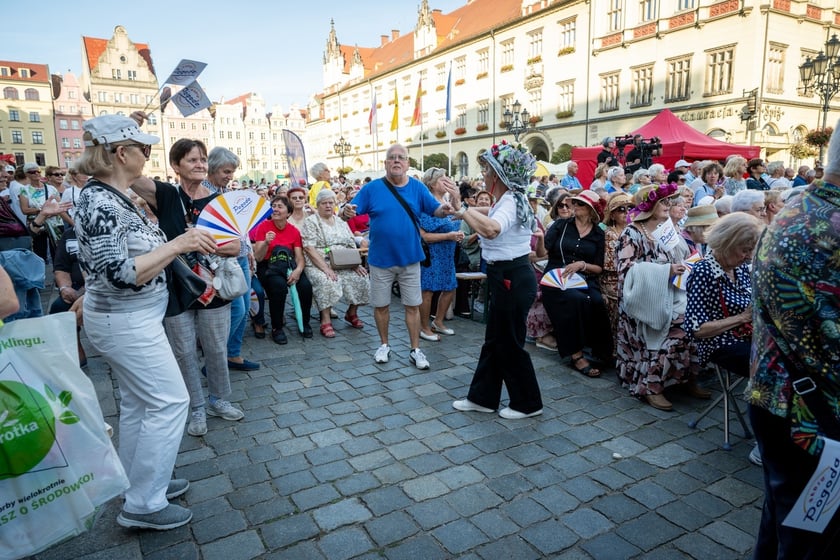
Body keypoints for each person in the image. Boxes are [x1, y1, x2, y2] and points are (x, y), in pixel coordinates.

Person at [75, 114, 218, 530]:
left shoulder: (111, 196)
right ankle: (143, 504)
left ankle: (140, 483)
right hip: (126, 322)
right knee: (170, 402)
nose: (148, 154)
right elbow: (119, 272)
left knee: (140, 404)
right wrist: (178, 243)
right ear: (121, 153)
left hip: (132, 319)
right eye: (144, 148)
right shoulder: (101, 201)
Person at [746, 122, 840, 559]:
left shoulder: (794, 209)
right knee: (808, 541)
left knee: (786, 521)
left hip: (776, 396)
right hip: (815, 415)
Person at [342, 144, 458, 369]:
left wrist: (450, 205)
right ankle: (384, 345)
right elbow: (350, 209)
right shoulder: (372, 188)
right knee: (381, 305)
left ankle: (415, 349)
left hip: (410, 258)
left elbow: (436, 210)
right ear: (385, 163)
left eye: (401, 158)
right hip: (380, 259)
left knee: (412, 305)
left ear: (407, 163)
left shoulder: (417, 188)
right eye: (391, 158)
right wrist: (344, 210)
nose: (396, 161)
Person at [451, 140, 544, 419]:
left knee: (509, 342)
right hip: (506, 275)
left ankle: (528, 403)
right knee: (495, 340)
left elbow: (491, 229)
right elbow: (488, 215)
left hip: (512, 276)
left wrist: (462, 209)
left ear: (498, 175)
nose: (484, 177)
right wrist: (459, 210)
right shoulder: (508, 199)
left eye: (487, 172)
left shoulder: (511, 201)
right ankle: (483, 398)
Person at [616, 183, 709, 411]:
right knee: (678, 327)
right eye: (665, 201)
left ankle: (685, 376)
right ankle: (651, 385)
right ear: (650, 205)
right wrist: (665, 270)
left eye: (671, 201)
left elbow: (684, 256)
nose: (670, 205)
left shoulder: (669, 229)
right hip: (645, 298)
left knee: (700, 319)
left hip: (672, 292)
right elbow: (626, 272)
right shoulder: (632, 233)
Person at [542, 190, 611, 376]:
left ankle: (600, 352)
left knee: (596, 301)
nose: (574, 206)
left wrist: (582, 264)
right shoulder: (561, 226)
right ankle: (576, 355)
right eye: (575, 203)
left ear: (590, 210)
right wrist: (538, 239)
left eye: (580, 204)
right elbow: (544, 249)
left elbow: (598, 268)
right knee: (574, 300)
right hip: (557, 278)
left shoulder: (598, 234)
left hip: (585, 278)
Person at [684, 212, 761, 377]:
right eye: (745, 251)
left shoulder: (738, 267)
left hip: (747, 334)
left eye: (751, 250)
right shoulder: (703, 271)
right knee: (768, 364)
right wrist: (742, 318)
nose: (749, 256)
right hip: (720, 342)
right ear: (726, 244)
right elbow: (696, 329)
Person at [205, 147, 260, 372]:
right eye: (227, 171)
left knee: (245, 307)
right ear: (213, 168)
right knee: (236, 309)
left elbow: (238, 227)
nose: (230, 176)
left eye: (232, 172)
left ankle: (233, 354)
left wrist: (247, 249)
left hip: (240, 256)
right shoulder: (204, 194)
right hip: (224, 260)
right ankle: (215, 359)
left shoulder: (224, 191)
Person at [300, 189, 369, 337]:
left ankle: (351, 313)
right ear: (317, 205)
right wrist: (325, 268)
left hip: (342, 261)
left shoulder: (340, 221)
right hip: (319, 262)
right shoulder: (311, 221)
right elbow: (308, 247)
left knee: (362, 277)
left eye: (331, 203)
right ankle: (325, 320)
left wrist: (355, 264)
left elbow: (351, 242)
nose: (328, 206)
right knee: (327, 281)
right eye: (324, 203)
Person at [251, 195, 314, 343]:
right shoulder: (263, 227)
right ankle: (277, 328)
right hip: (267, 265)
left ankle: (305, 322)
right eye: (274, 206)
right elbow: (258, 257)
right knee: (278, 287)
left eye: (280, 206)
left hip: (288, 264)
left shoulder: (293, 231)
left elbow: (299, 257)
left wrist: (298, 271)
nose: (275, 209)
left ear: (288, 212)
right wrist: (266, 242)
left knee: (305, 287)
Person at [418, 167, 464, 341]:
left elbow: (460, 217)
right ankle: (424, 327)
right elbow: (425, 236)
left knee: (450, 286)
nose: (446, 181)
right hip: (432, 253)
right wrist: (449, 235)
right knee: (428, 290)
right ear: (431, 183)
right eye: (442, 179)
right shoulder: (427, 203)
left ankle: (438, 321)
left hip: (448, 251)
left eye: (447, 178)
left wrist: (456, 197)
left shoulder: (447, 200)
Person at [602, 192, 632, 355]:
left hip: (631, 277)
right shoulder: (610, 234)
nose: (626, 212)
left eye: (630, 208)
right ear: (612, 214)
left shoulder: (633, 230)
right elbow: (611, 266)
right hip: (614, 280)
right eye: (621, 209)